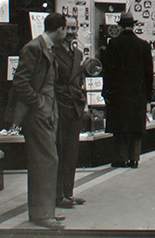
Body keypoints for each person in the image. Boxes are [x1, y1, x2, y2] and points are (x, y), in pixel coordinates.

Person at [7, 11, 68, 228]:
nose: (68, 32)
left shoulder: (47, 48)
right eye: (66, 28)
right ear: (59, 29)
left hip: (48, 113)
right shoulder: (33, 48)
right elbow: (21, 83)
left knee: (47, 161)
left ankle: (44, 211)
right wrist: (40, 103)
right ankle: (43, 215)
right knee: (46, 161)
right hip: (39, 114)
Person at [101, 11, 154, 168]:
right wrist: (148, 95)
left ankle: (121, 158)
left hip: (119, 94)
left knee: (121, 127)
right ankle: (135, 158)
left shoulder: (114, 44)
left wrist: (106, 92)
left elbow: (108, 71)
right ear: (134, 25)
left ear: (120, 26)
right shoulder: (144, 45)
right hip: (138, 94)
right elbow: (148, 73)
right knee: (136, 127)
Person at [54, 15, 87, 209]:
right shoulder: (53, 52)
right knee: (59, 151)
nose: (71, 32)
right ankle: (58, 195)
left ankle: (68, 193)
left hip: (74, 107)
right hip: (59, 105)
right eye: (67, 28)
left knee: (71, 153)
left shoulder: (78, 54)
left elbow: (78, 80)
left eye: (74, 28)